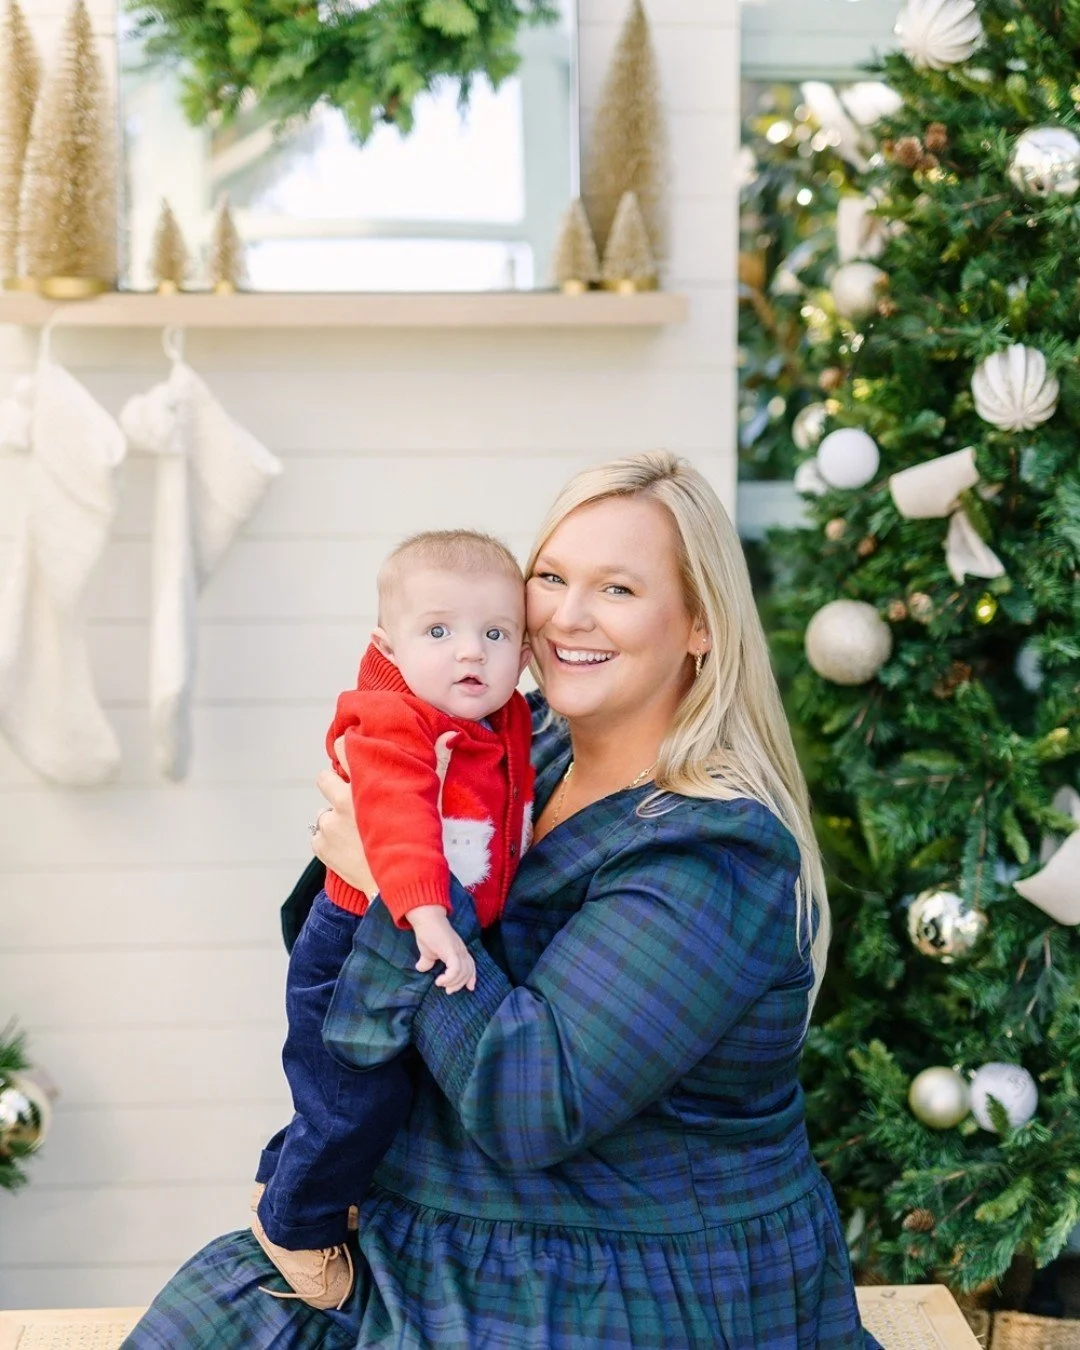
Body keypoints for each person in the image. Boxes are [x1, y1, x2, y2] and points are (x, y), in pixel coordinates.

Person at [125, 452, 882, 1349]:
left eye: (618, 589)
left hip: (618, 1271)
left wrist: (390, 886)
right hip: (435, 1207)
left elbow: (532, 1102)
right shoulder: (528, 748)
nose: (567, 615)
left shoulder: (714, 851)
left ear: (700, 627)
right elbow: (328, 946)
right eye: (551, 577)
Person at [251, 530, 533, 1310]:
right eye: (438, 632)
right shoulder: (396, 722)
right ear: (389, 645)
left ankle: (287, 1178)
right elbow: (398, 814)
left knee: (377, 1093)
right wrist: (424, 911)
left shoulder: (504, 718)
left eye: (495, 633)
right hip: (355, 949)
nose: (470, 654)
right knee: (351, 1098)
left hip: (415, 937)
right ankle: (292, 1221)